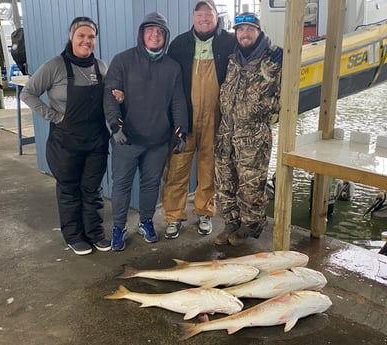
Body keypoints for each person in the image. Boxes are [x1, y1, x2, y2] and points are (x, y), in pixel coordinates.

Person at [21, 17, 111, 255]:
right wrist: (54, 116)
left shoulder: (101, 67)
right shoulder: (55, 66)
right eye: (81, 35)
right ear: (71, 37)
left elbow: (109, 99)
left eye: (91, 37)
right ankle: (74, 236)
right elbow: (28, 93)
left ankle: (95, 233)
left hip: (96, 141)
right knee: (69, 189)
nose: (86, 41)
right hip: (66, 142)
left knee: (92, 189)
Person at [103, 12, 188, 251]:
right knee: (121, 185)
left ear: (165, 36)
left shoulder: (172, 68)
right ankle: (119, 228)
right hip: (126, 139)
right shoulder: (122, 60)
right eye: (150, 30)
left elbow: (178, 101)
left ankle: (146, 221)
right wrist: (115, 125)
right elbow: (110, 95)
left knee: (151, 184)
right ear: (142, 34)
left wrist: (181, 131)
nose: (155, 35)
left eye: (160, 32)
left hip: (158, 141)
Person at [161, 0, 236, 239]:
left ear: (216, 16)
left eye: (209, 13)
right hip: (184, 120)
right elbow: (168, 83)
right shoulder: (179, 44)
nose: (204, 18)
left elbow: (252, 49)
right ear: (193, 17)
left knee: (208, 168)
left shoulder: (229, 41)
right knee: (177, 169)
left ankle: (204, 212)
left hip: (215, 118)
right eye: (200, 13)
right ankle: (173, 216)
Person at [214, 12, 283, 246]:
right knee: (225, 180)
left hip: (253, 136)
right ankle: (231, 222)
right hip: (226, 132)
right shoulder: (233, 59)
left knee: (251, 184)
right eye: (240, 30)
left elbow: (285, 97)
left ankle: (250, 226)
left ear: (258, 32)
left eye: (249, 30)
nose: (244, 34)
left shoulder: (272, 60)